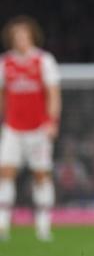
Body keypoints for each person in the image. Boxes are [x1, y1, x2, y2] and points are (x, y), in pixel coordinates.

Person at [0, 16, 61, 241]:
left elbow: (53, 94)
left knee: (41, 175)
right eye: (16, 35)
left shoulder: (44, 61)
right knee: (5, 172)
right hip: (12, 128)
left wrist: (52, 121)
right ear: (11, 38)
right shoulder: (5, 63)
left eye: (24, 35)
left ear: (32, 36)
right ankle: (3, 225)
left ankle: (43, 227)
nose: (20, 39)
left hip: (38, 129)